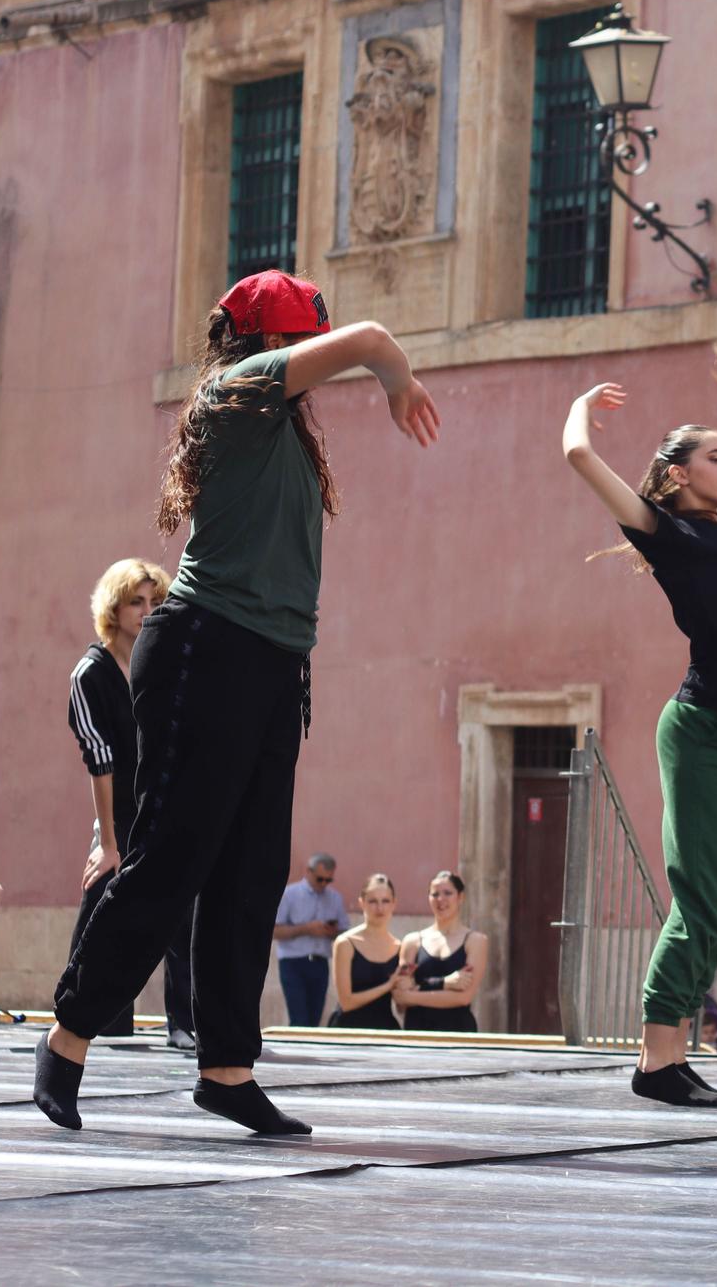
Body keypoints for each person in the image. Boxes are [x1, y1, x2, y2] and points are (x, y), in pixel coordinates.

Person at [34, 268, 439, 1136]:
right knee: (171, 860)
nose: (309, 356)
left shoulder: (281, 426)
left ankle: (226, 1070)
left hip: (269, 662)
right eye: (301, 340)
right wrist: (395, 377)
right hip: (205, 649)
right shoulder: (234, 391)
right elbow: (369, 339)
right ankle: (68, 1036)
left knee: (250, 873)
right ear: (274, 344)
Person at [562, 376, 717, 1110]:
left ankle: (672, 1051)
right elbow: (577, 453)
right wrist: (582, 407)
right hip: (699, 726)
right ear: (678, 473)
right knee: (699, 899)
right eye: (714, 457)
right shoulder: (669, 534)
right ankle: (657, 1054)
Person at [67, 558, 195, 1049]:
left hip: (164, 804)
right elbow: (99, 763)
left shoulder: (162, 665)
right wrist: (108, 840)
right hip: (118, 811)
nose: (147, 611)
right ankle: (85, 1020)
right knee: (103, 907)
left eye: (156, 602)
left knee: (182, 908)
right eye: (137, 602)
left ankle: (184, 1024)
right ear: (114, 608)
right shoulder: (90, 673)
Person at [394, 870, 488, 1033]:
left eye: (447, 893)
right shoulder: (412, 942)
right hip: (417, 1034)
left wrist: (414, 993)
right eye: (435, 894)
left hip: (458, 1035)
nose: (441, 900)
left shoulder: (476, 941)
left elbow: (463, 997)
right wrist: (446, 983)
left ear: (460, 897)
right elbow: (400, 999)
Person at [272, 853, 347, 1027]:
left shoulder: (334, 898)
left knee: (314, 1020)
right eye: (320, 879)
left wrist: (331, 931)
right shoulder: (290, 894)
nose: (323, 884)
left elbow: (344, 932)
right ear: (308, 871)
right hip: (292, 963)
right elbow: (275, 931)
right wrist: (306, 929)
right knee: (299, 1019)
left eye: (328, 880)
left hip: (320, 963)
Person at [329, 873, 406, 1031]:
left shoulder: (400, 947)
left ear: (394, 903)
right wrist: (388, 986)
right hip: (348, 1029)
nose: (380, 908)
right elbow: (346, 1002)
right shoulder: (345, 943)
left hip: (385, 1030)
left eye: (385, 901)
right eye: (373, 901)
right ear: (361, 903)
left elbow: (401, 1006)